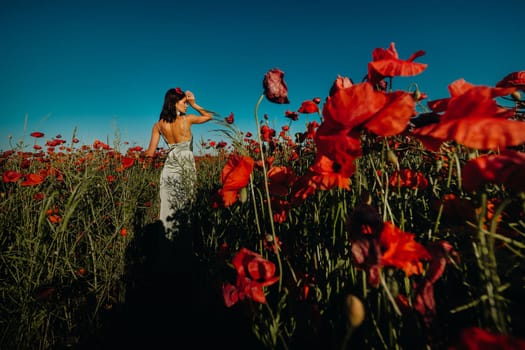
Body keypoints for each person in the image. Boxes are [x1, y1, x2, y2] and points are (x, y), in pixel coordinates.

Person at [144, 87, 212, 239]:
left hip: (169, 166)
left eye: (188, 103)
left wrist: (139, 161)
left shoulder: (158, 125)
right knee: (186, 205)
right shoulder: (187, 119)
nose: (187, 105)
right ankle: (184, 244)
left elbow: (150, 153)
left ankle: (167, 242)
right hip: (185, 163)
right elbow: (209, 116)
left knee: (168, 206)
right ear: (175, 103)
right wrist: (195, 104)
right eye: (184, 102)